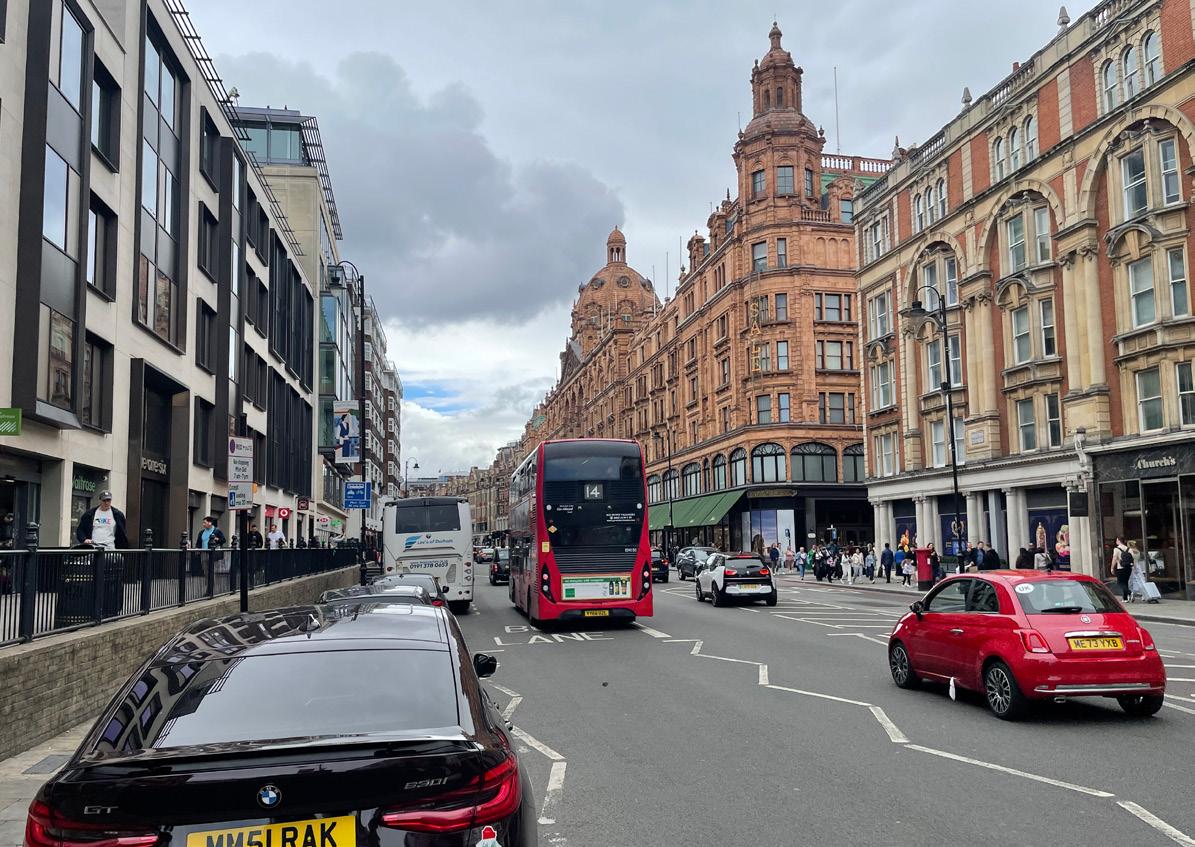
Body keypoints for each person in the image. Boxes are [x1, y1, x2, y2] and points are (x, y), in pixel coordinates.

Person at [1112, 537, 1133, 601]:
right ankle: (1125, 598)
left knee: (1120, 582)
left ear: (1119, 540)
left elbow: (1114, 558)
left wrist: (1112, 567)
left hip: (1120, 568)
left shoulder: (1116, 549)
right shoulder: (1129, 549)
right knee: (1125, 582)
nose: (1116, 541)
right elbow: (1132, 558)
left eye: (1116, 540)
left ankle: (1129, 592)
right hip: (1129, 568)